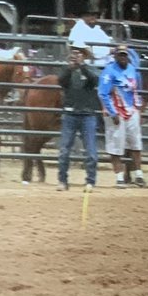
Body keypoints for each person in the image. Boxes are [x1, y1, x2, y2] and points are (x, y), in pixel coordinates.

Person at [98, 43, 146, 189]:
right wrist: (112, 113)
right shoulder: (109, 71)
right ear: (116, 56)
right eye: (120, 55)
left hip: (131, 109)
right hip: (116, 111)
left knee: (135, 142)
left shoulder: (132, 70)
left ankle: (139, 175)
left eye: (124, 55)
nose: (123, 57)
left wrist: (138, 108)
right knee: (116, 144)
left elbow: (137, 91)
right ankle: (119, 177)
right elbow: (103, 93)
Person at [55, 46, 100, 191]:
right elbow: (61, 82)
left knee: (91, 150)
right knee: (64, 150)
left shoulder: (91, 69)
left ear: (84, 55)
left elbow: (95, 80)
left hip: (88, 114)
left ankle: (90, 181)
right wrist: (70, 68)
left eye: (79, 53)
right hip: (70, 113)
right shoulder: (66, 70)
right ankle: (62, 180)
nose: (76, 55)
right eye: (74, 52)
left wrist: (82, 67)